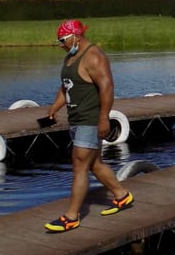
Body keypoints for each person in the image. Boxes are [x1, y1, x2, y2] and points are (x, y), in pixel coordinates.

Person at [44, 20, 134, 232]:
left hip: (90, 119)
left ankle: (71, 216)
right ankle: (122, 195)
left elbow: (107, 87)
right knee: (95, 164)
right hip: (76, 119)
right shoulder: (70, 58)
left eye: (62, 40)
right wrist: (54, 108)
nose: (60, 45)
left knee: (79, 164)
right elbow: (66, 86)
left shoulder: (94, 57)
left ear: (75, 36)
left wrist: (104, 118)